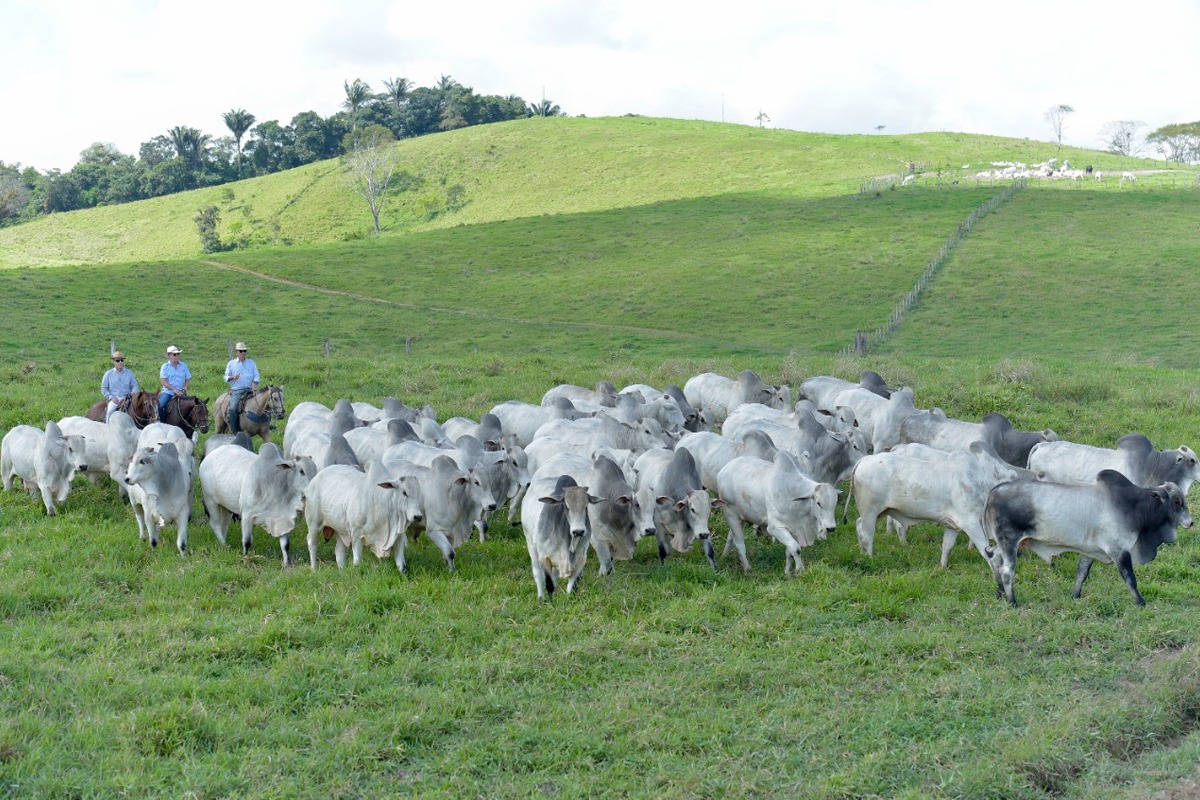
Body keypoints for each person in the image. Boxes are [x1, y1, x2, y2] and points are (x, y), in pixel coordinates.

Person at [223, 341, 261, 434]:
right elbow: (225, 377)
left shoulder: (251, 363)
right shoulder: (231, 364)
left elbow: (256, 375)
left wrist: (255, 383)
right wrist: (232, 377)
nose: (243, 353)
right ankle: (234, 430)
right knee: (232, 408)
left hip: (250, 389)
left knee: (265, 401)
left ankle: (266, 425)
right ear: (237, 352)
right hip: (237, 390)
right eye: (241, 351)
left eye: (244, 351)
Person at [100, 351, 139, 422]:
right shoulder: (108, 374)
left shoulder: (129, 373)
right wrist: (111, 397)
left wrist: (134, 392)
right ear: (113, 362)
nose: (120, 362)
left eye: (122, 360)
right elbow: (104, 388)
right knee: (109, 411)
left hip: (128, 397)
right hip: (115, 398)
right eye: (117, 360)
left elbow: (135, 385)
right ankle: (108, 427)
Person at [159, 345, 192, 422]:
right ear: (169, 355)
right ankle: (163, 423)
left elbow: (188, 380)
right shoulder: (165, 366)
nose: (176, 356)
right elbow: (163, 381)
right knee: (160, 406)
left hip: (181, 392)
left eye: (177, 354)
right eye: (174, 354)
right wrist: (174, 389)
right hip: (168, 392)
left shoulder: (184, 366)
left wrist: (185, 388)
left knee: (191, 407)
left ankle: (190, 426)